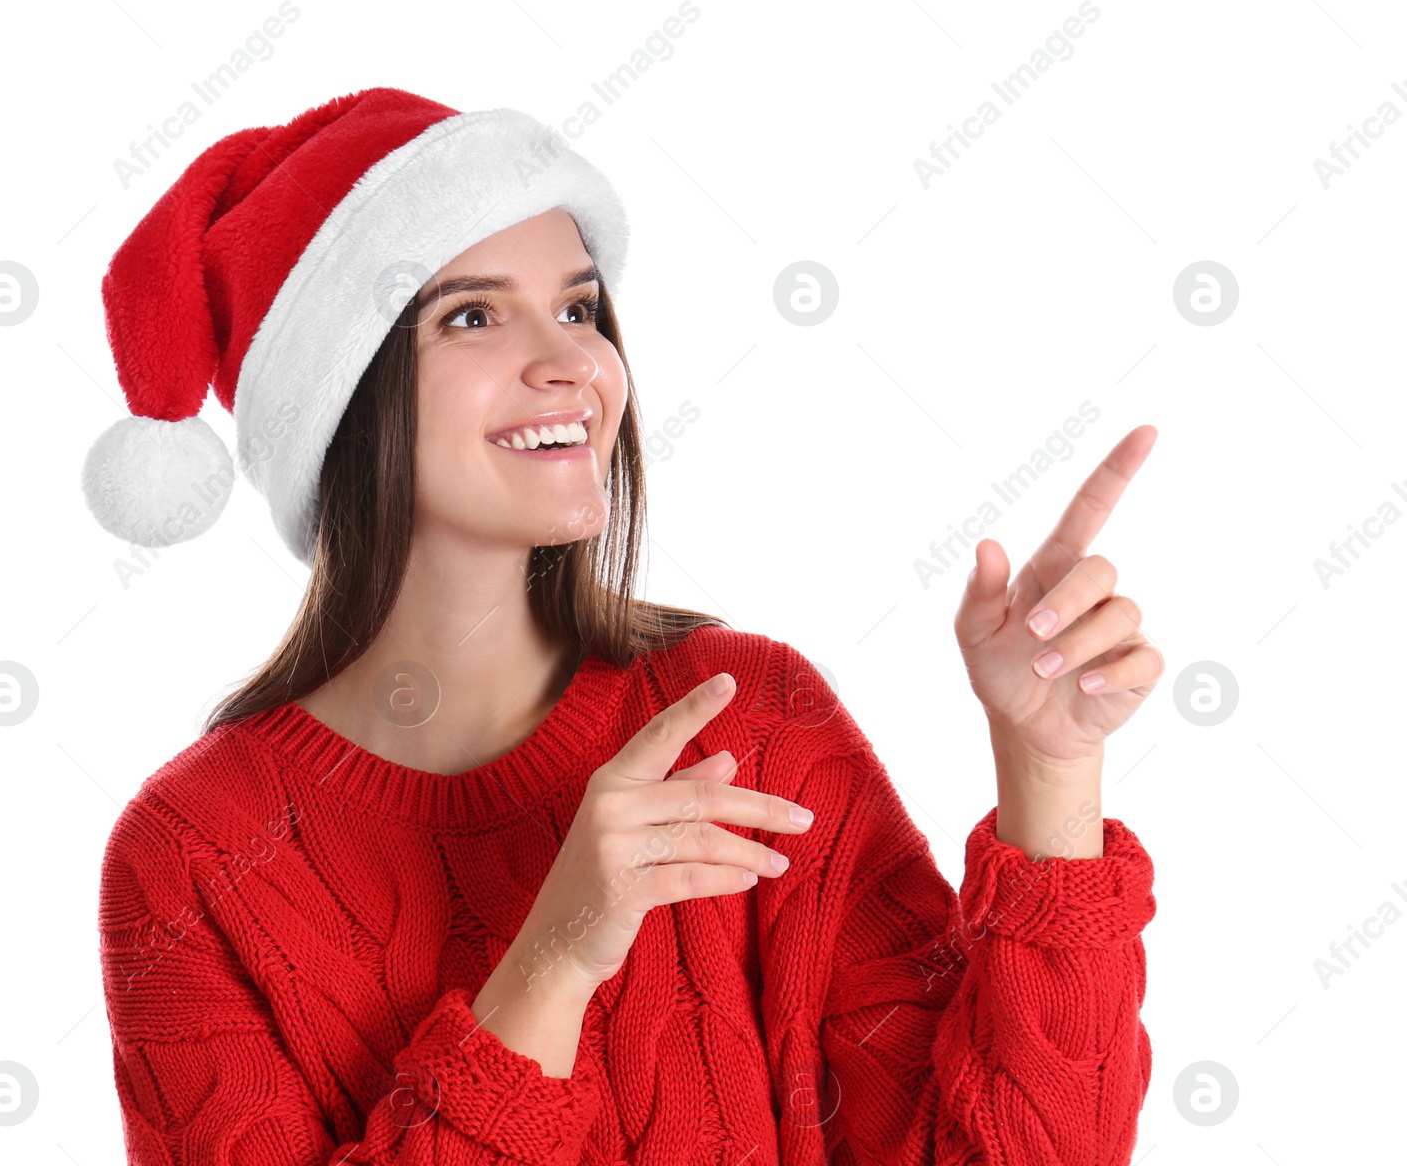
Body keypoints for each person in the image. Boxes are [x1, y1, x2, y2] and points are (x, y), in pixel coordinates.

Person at [83, 87, 1161, 1165]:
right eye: (471, 314)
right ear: (335, 401)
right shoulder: (192, 858)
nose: (573, 366)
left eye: (580, 308)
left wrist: (1048, 770)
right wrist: (553, 961)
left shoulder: (757, 720)